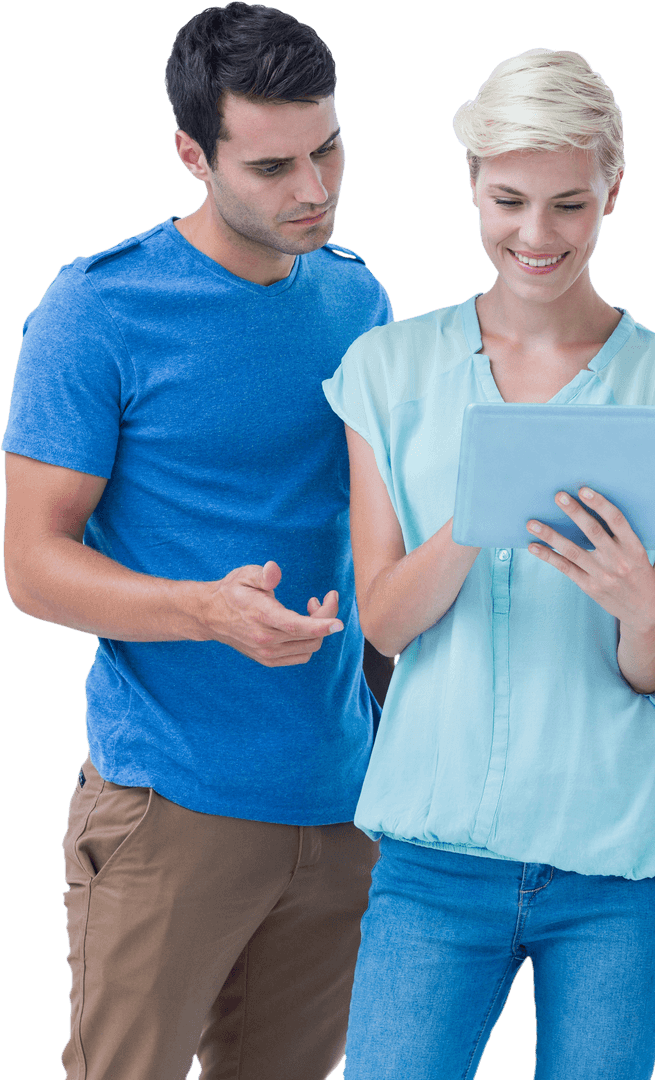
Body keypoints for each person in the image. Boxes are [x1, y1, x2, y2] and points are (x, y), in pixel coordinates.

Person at [2, 4, 391, 1078]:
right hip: (170, 810)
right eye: (272, 166)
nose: (312, 189)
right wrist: (203, 611)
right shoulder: (96, 311)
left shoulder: (358, 298)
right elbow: (32, 563)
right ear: (193, 154)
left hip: (341, 804)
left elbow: (374, 536)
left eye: (329, 149)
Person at [321, 48, 655, 1080]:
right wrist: (480, 506)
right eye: (508, 199)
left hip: (615, 861)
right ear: (471, 182)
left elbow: (651, 666)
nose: (536, 236)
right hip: (433, 857)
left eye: (569, 205)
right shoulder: (389, 370)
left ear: (614, 192)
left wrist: (641, 608)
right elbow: (386, 624)